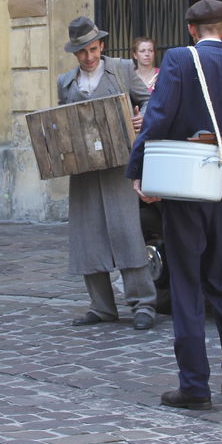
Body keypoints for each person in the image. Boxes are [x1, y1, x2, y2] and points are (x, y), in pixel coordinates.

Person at [126, 0, 222, 410]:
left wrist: (139, 169)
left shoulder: (179, 61)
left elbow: (159, 117)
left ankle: (194, 386)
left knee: (187, 284)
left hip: (184, 184)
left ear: (191, 30)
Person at [58, 17, 158, 330]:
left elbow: (152, 100)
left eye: (92, 49)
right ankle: (101, 307)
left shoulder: (123, 70)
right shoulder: (66, 82)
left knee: (127, 232)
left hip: (119, 165)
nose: (88, 57)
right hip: (84, 170)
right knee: (89, 237)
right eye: (82, 52)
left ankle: (143, 305)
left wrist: (146, 120)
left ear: (101, 45)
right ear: (75, 54)